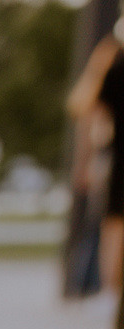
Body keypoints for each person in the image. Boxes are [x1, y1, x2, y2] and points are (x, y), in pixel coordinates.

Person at [69, 19, 124, 294]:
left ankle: (105, 291)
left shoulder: (111, 66)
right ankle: (107, 290)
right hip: (115, 161)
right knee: (112, 226)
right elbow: (93, 120)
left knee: (110, 227)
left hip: (113, 159)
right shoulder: (116, 68)